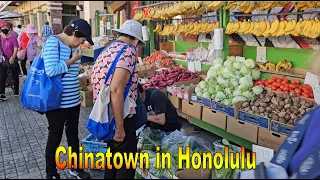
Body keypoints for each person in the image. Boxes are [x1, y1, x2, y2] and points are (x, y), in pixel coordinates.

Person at [91, 20, 145, 179]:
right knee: (126, 165)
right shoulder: (127, 51)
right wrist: (120, 126)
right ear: (135, 39)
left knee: (113, 158)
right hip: (119, 115)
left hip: (106, 113)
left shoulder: (107, 49)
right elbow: (115, 89)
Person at [42, 18, 93, 179]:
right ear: (76, 34)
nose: (81, 44)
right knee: (55, 137)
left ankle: (75, 168)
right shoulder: (53, 43)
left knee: (73, 135)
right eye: (82, 40)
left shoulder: (72, 47)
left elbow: (68, 72)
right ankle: (51, 173)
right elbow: (50, 70)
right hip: (57, 102)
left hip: (73, 100)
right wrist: (73, 60)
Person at [0, 20, 20, 98]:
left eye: (6, 27)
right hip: (2, 59)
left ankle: (16, 90)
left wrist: (13, 57)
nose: (4, 28)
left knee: (15, 76)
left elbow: (16, 47)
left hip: (13, 58)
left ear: (9, 28)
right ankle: (2, 93)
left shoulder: (13, 37)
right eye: (2, 27)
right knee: (2, 76)